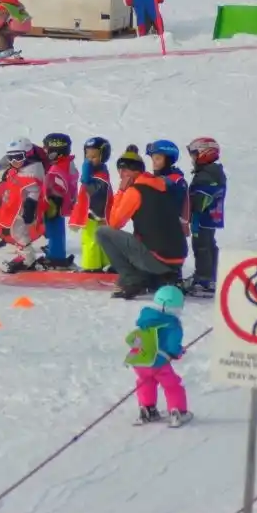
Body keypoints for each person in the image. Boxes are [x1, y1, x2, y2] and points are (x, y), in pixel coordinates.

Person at [96, 141, 190, 299]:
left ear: (128, 172)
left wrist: (121, 191)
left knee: (103, 232)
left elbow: (114, 223)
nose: (120, 176)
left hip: (158, 258)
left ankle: (131, 278)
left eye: (121, 172)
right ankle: (159, 276)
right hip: (177, 257)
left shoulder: (135, 191)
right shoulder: (160, 183)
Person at [125, 285, 192, 426]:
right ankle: (178, 411)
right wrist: (178, 352)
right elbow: (173, 346)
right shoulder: (173, 324)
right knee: (172, 385)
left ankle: (147, 409)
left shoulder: (146, 318)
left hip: (140, 360)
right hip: (159, 363)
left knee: (145, 382)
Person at [0, 137, 49, 272]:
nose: (14, 162)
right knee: (17, 232)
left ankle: (27, 257)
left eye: (18, 157)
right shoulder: (22, 165)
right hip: (16, 205)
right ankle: (27, 256)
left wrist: (30, 207)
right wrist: (8, 174)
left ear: (28, 155)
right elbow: (16, 176)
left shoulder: (33, 170)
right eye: (10, 158)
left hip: (22, 207)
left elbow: (34, 190)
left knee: (18, 232)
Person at [184, 137, 226, 298]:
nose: (193, 159)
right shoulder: (211, 172)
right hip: (209, 217)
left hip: (203, 217)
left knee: (201, 245)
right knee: (207, 243)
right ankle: (209, 277)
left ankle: (204, 279)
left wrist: (188, 207)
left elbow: (200, 198)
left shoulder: (207, 175)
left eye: (195, 154)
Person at [69, 137, 113, 272]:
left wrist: (86, 178)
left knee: (90, 240)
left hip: (94, 214)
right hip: (94, 213)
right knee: (99, 239)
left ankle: (91, 266)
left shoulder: (100, 175)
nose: (89, 160)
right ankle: (104, 262)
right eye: (87, 156)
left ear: (103, 156)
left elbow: (93, 192)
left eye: (93, 157)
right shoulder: (98, 172)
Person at [40, 132, 78, 268]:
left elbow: (58, 187)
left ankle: (56, 257)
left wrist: (52, 202)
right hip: (61, 203)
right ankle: (55, 251)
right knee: (56, 228)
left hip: (55, 204)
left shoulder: (57, 169)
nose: (44, 152)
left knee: (53, 228)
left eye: (46, 150)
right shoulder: (67, 163)